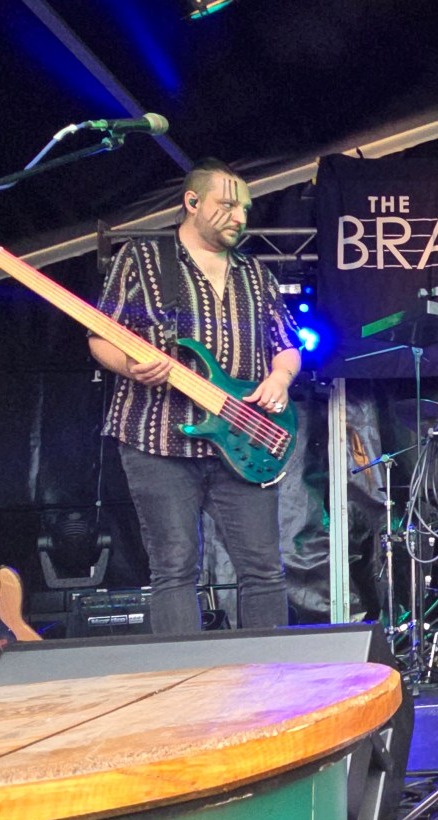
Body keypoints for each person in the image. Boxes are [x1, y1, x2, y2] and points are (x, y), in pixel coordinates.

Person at [91, 158, 302, 634]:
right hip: (158, 439)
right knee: (174, 568)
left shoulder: (256, 274)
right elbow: (100, 335)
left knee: (264, 570)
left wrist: (280, 377)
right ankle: (183, 677)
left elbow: (287, 344)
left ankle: (270, 675)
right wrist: (130, 366)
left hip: (244, 440)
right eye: (228, 206)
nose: (240, 217)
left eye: (245, 209)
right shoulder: (143, 259)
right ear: (191, 202)